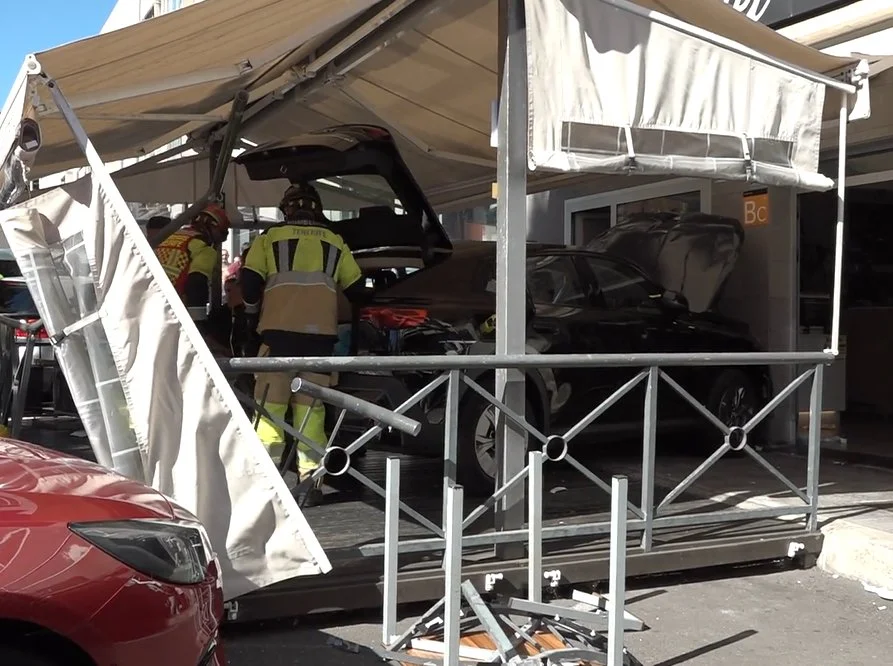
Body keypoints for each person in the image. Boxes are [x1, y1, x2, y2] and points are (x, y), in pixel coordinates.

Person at [240, 182, 365, 505]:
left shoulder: (268, 239)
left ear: (286, 209)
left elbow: (250, 282)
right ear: (317, 209)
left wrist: (252, 318)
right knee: (312, 416)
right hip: (320, 343)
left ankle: (268, 486)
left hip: (277, 340)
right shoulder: (336, 242)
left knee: (271, 414)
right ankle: (311, 483)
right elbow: (358, 288)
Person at [154, 203, 231, 351]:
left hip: (150, 304)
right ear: (212, 227)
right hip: (173, 310)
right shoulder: (203, 248)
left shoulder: (169, 239)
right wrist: (199, 323)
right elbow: (197, 283)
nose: (219, 241)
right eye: (221, 234)